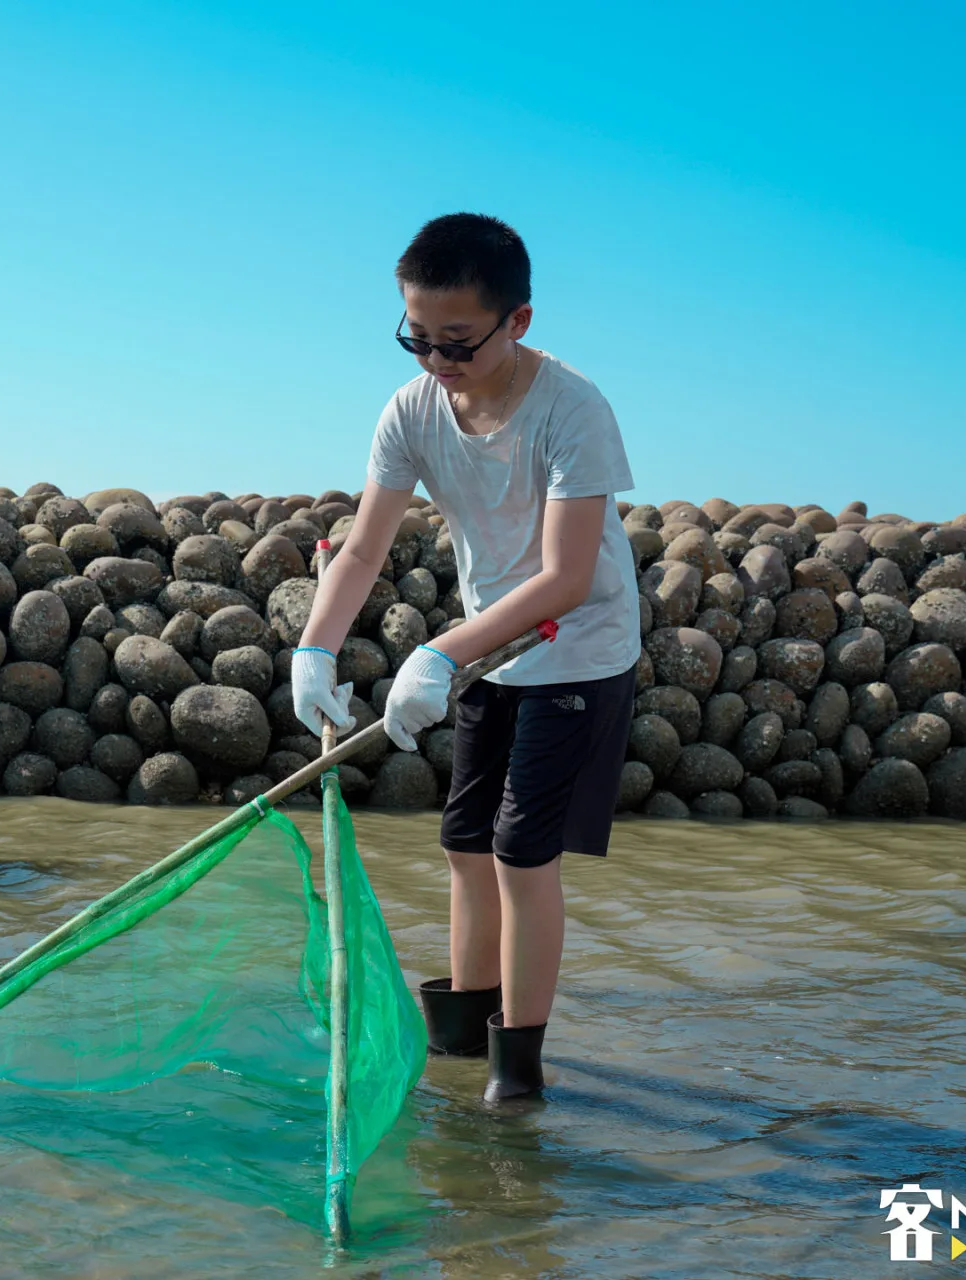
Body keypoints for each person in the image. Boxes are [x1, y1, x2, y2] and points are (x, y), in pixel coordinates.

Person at [292, 214, 639, 1103]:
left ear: (516, 321)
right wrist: (315, 648)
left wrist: (438, 656)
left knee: (524, 854)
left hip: (576, 648)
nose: (435, 360)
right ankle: (457, 1045)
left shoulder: (574, 409)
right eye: (417, 338)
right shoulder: (410, 410)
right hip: (488, 649)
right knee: (464, 843)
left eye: (457, 342)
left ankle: (517, 1073)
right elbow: (364, 548)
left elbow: (565, 577)